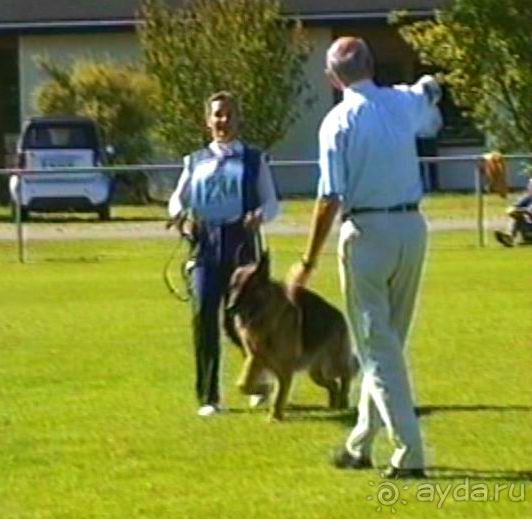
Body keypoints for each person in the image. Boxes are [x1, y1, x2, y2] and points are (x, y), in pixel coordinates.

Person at [288, 37, 442, 479]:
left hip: (368, 233)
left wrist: (308, 258)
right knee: (387, 343)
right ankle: (360, 443)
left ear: (333, 77)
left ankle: (409, 452)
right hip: (412, 228)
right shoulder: (399, 102)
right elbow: (427, 92)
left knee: (378, 348)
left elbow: (330, 196)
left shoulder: (338, 121)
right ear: (371, 65)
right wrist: (431, 83)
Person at [168, 91, 280, 417]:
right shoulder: (195, 161)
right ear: (208, 121)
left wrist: (261, 216)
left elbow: (272, 202)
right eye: (217, 115)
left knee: (245, 322)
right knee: (204, 316)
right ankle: (208, 396)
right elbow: (178, 198)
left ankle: (259, 379)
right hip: (205, 245)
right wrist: (180, 216)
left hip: (242, 245)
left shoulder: (254, 160)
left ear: (238, 119)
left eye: (229, 114)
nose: (223, 121)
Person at [494, 177, 532, 247]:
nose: (529, 188)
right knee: (516, 216)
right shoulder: (528, 199)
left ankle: (511, 238)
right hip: (527, 226)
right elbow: (512, 208)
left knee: (519, 215)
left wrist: (524, 211)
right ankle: (509, 237)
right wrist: (513, 211)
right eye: (529, 186)